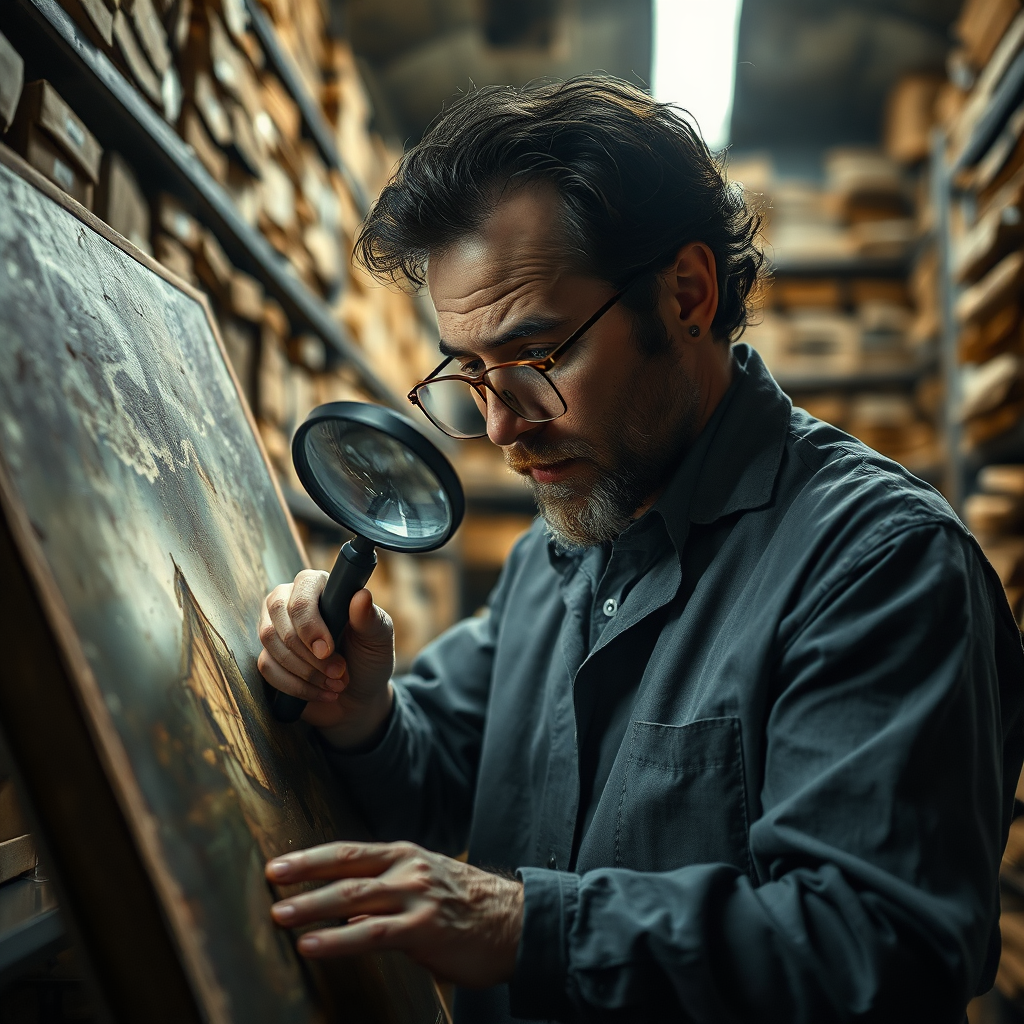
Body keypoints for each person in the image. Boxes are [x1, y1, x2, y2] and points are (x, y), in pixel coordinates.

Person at [257, 76, 1024, 1023]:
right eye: (470, 373)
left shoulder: (879, 565)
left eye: (537, 357)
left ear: (688, 294)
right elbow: (440, 775)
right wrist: (361, 708)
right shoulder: (567, 541)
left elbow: (881, 949)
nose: (502, 427)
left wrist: (526, 926)